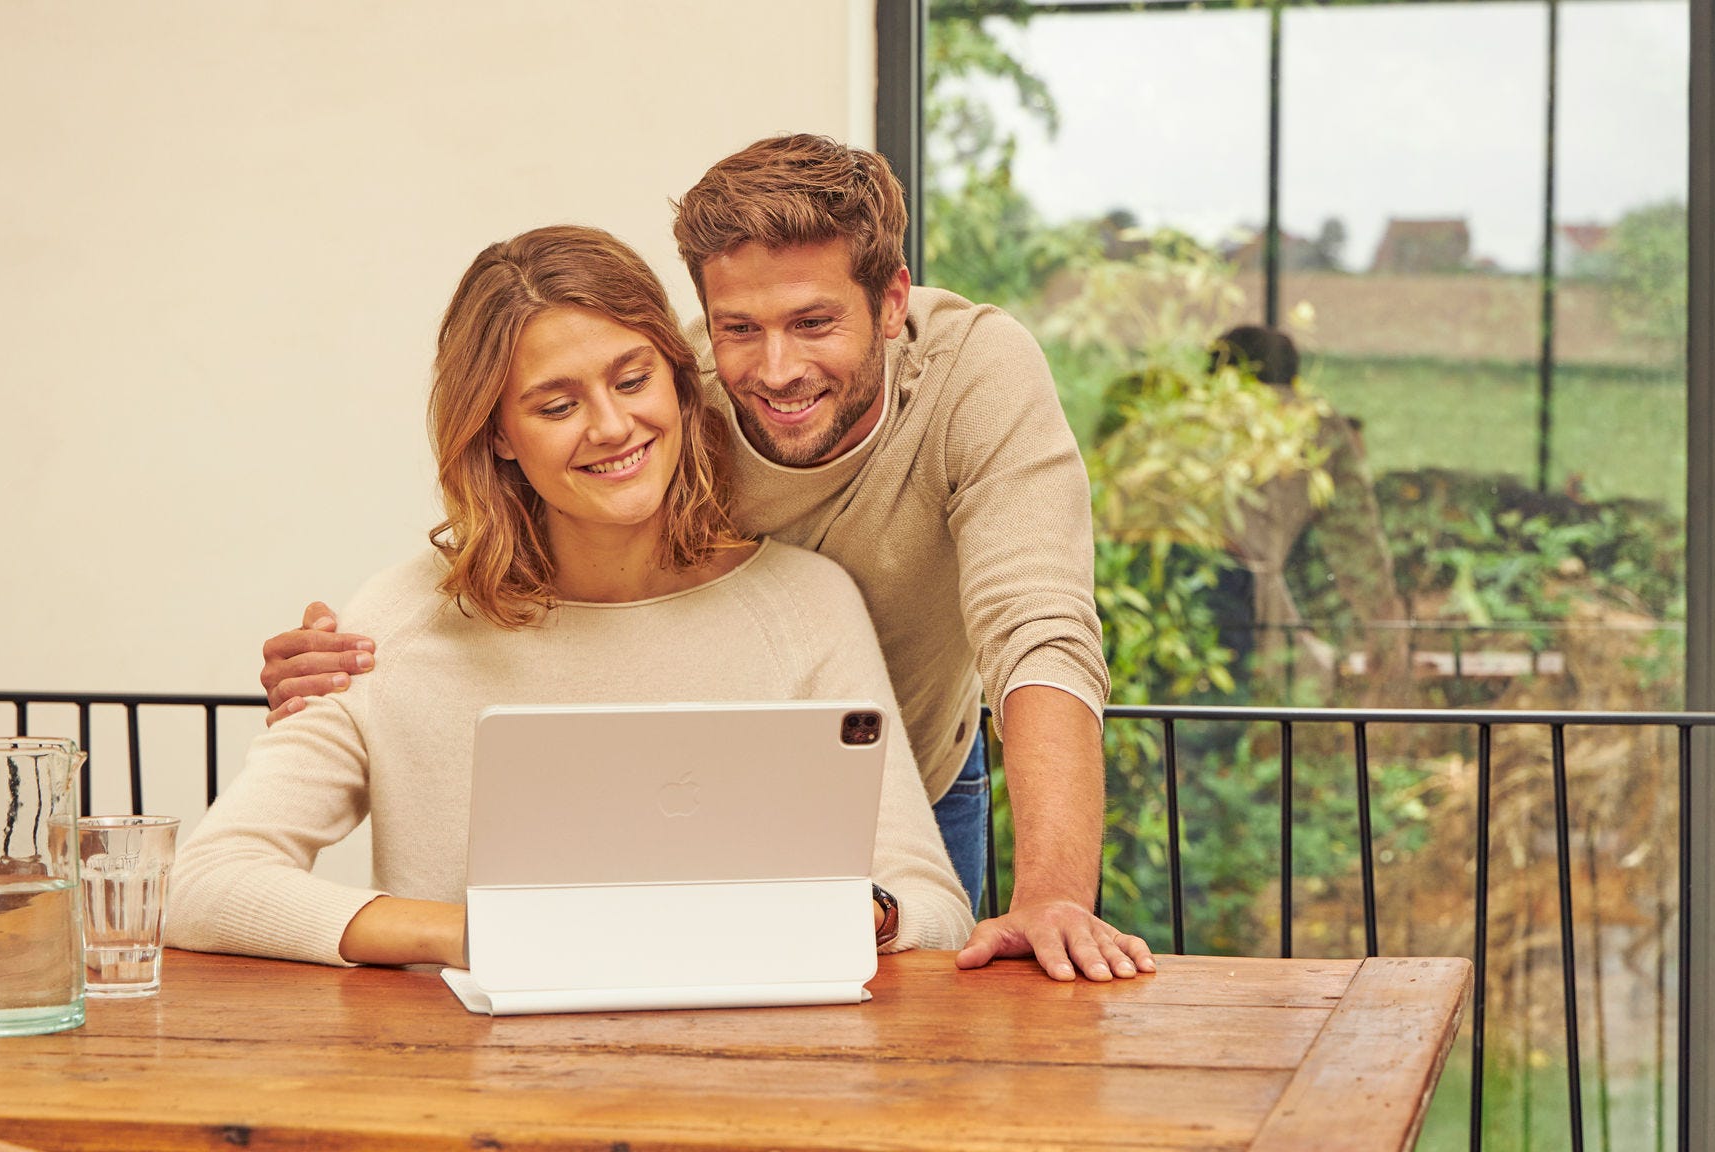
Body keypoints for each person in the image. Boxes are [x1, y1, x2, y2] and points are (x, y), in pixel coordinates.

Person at [259, 135, 1156, 983]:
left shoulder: (976, 378)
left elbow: (1038, 626)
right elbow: (536, 516)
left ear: (890, 302)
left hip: (905, 764)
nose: (775, 369)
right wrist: (372, 647)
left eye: (813, 322)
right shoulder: (663, 394)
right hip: (685, 794)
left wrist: (1049, 897)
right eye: (738, 329)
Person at [170, 226, 973, 967]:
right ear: (496, 434)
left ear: (680, 385)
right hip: (473, 1090)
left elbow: (934, 906)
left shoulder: (806, 606)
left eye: (633, 380)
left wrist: (830, 916)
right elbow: (204, 884)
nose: (613, 426)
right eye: (556, 406)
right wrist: (480, 935)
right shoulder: (397, 625)